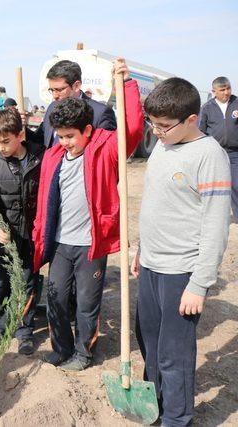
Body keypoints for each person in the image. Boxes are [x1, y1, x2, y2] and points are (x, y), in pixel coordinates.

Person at [32, 59, 143, 371]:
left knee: (86, 302)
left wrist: (127, 84)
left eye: (70, 136)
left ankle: (84, 352)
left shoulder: (104, 149)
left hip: (90, 245)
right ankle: (60, 348)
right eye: (60, 136)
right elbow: (45, 202)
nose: (65, 143)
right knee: (54, 298)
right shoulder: (53, 157)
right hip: (60, 243)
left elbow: (133, 129)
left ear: (88, 130)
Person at [132, 77, 231, 426]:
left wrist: (199, 283)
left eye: (163, 126)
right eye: (152, 124)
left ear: (191, 119)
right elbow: (156, 204)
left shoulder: (209, 156)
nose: (155, 132)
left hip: (182, 272)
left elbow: (216, 225)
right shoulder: (162, 145)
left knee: (175, 353)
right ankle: (156, 406)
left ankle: (177, 418)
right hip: (151, 264)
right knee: (149, 342)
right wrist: (142, 250)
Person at [0, 108, 44, 354]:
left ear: (21, 135)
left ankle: (24, 331)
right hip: (2, 241)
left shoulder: (38, 160)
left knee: (27, 284)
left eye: (6, 141)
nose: (1, 148)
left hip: (29, 238)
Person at [28, 60, 116, 148]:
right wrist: (20, 128)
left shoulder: (99, 113)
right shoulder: (52, 108)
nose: (55, 96)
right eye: (52, 90)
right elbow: (40, 141)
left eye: (59, 90)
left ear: (76, 86)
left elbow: (107, 152)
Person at [199, 76, 238, 220]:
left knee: (236, 184)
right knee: (213, 184)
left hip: (235, 152)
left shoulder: (237, 103)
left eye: (228, 88)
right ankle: (212, 215)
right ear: (214, 91)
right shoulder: (207, 108)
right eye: (222, 90)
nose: (226, 92)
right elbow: (201, 130)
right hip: (215, 152)